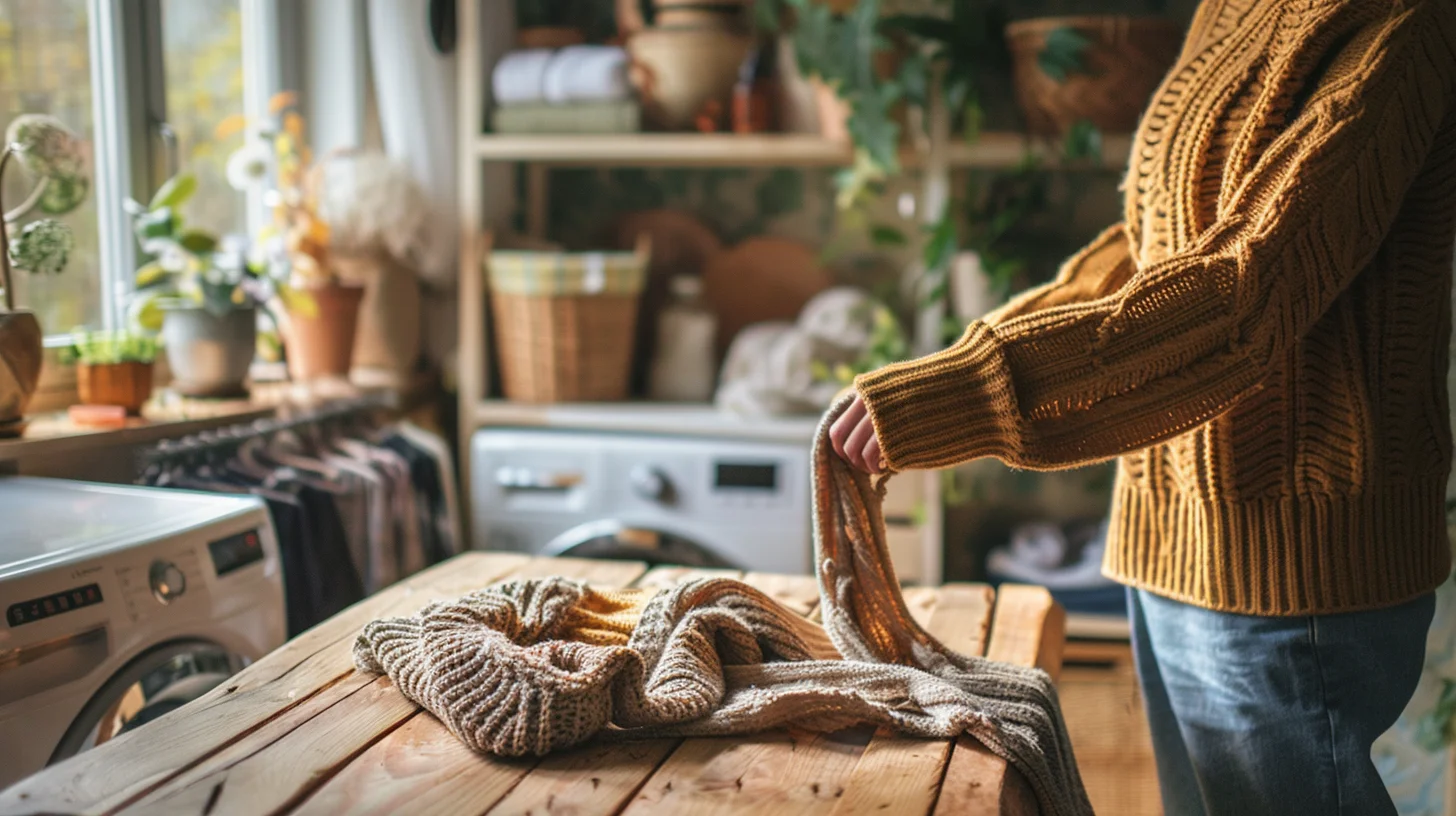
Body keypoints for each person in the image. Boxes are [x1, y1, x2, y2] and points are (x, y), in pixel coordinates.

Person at [829, 1, 1456, 813]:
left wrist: (976, 390)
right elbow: (1149, 248)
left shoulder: (1403, 23)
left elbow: (1242, 292)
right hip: (1168, 536)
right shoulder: (1230, 10)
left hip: (1293, 570)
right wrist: (953, 366)